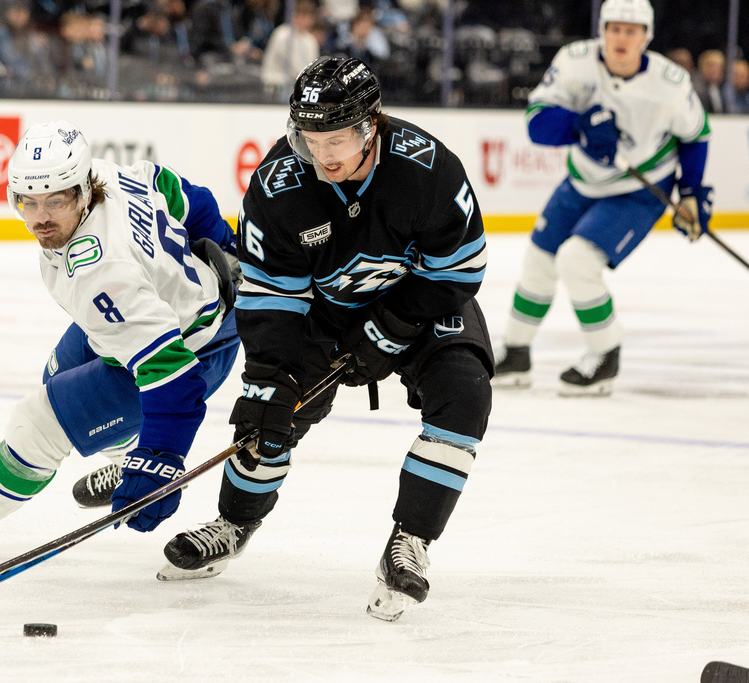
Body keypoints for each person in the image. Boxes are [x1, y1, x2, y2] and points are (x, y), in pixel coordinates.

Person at [157, 56, 494, 623]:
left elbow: (459, 271)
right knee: (269, 416)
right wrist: (270, 378)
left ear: (372, 125)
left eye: (337, 138)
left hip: (420, 305)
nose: (324, 154)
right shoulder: (278, 185)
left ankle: (410, 541)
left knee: (465, 395)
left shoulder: (429, 168)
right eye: (311, 139)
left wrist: (390, 327)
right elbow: (271, 299)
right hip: (324, 315)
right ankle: (235, 521)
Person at [0, 120, 241, 558]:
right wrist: (228, 244)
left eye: (54, 201)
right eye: (28, 202)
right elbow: (177, 190)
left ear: (79, 191)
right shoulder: (107, 176)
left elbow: (174, 379)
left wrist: (159, 460)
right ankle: (122, 454)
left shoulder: (101, 274)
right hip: (164, 316)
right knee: (58, 375)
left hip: (192, 347)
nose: (40, 218)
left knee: (40, 424)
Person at [493, 0, 712, 397]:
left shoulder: (671, 82)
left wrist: (693, 193)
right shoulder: (575, 61)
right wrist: (580, 126)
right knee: (538, 260)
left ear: (646, 36)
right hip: (582, 181)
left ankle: (605, 354)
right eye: (614, 28)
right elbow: (537, 123)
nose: (621, 38)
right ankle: (516, 352)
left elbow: (696, 135)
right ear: (602, 30)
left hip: (639, 190)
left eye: (631, 30)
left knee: (577, 260)